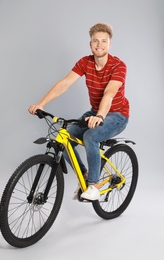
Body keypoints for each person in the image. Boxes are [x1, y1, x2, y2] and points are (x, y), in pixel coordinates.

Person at [28, 23, 129, 201]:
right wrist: (41, 103)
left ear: (110, 44)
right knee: (63, 137)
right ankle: (84, 174)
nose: (99, 45)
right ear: (90, 44)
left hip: (117, 114)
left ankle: (94, 185)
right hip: (94, 111)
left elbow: (109, 93)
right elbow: (65, 83)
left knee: (91, 136)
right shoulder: (85, 62)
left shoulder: (118, 66)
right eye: (95, 41)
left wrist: (100, 116)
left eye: (104, 41)